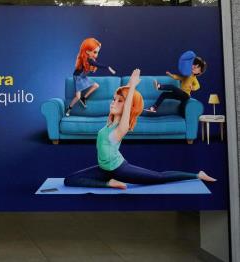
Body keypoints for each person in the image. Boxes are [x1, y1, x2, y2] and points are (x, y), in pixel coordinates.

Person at [64, 69, 215, 189]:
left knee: (159, 178)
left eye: (119, 101)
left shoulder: (120, 128)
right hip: (104, 170)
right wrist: (127, 87)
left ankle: (197, 175)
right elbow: (121, 105)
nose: (113, 102)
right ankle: (109, 184)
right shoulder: (109, 122)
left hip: (119, 169)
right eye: (114, 99)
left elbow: (128, 108)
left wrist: (131, 86)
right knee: (69, 180)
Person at [66, 37, 116, 116]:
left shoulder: (89, 60)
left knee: (96, 85)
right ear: (87, 51)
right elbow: (97, 65)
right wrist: (108, 67)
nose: (96, 55)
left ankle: (84, 98)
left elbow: (93, 65)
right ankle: (69, 109)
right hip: (78, 78)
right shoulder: (87, 60)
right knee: (77, 97)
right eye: (95, 52)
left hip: (82, 77)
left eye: (97, 52)